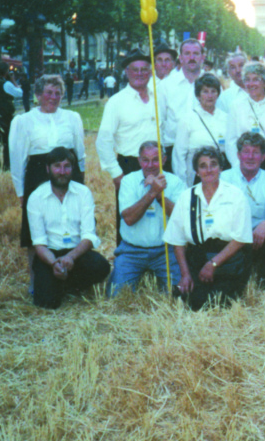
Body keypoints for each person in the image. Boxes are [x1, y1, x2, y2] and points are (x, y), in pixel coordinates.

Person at [10, 74, 87, 281]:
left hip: (68, 173)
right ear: (37, 95)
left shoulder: (72, 118)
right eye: (48, 93)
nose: (53, 97)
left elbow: (80, 155)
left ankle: (74, 273)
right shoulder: (24, 120)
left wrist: (81, 182)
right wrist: (21, 193)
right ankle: (37, 278)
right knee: (37, 227)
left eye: (58, 93)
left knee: (71, 221)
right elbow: (18, 160)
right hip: (38, 176)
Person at [164, 147, 253, 310]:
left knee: (220, 303)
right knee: (191, 301)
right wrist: (185, 275)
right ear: (197, 172)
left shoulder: (236, 196)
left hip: (228, 259)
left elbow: (241, 239)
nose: (209, 170)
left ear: (221, 168)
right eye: (203, 166)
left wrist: (212, 264)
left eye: (213, 164)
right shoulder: (186, 197)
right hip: (198, 257)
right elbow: (177, 240)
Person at [27, 147, 110, 309]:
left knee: (102, 267)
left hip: (76, 253)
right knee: (46, 303)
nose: (62, 171)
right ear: (48, 169)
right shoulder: (36, 197)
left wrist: (70, 258)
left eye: (67, 166)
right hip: (50, 255)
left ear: (73, 169)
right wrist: (54, 263)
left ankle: (70, 284)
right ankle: (58, 281)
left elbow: (89, 237)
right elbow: (39, 244)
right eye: (57, 166)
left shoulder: (83, 193)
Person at [96, 51, 166, 241]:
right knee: (129, 217)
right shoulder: (116, 102)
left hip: (157, 165)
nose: (140, 73)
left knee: (158, 216)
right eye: (135, 70)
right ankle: (127, 263)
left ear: (151, 72)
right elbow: (103, 140)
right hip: (129, 166)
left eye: (144, 69)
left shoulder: (159, 98)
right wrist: (116, 174)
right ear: (127, 72)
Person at [108, 141, 187, 297]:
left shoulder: (176, 182)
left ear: (164, 160)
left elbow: (181, 219)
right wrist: (152, 193)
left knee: (180, 296)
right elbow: (129, 219)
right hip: (132, 251)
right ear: (139, 161)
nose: (150, 165)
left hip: (165, 250)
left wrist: (160, 195)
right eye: (145, 160)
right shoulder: (128, 181)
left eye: (156, 159)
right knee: (115, 297)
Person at [221, 133, 265, 288]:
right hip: (231, 235)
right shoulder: (224, 178)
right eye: (246, 152)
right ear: (238, 155)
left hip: (258, 237)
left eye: (256, 152)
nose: (250, 157)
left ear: (263, 157)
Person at [173, 73, 228, 185]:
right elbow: (179, 154)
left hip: (221, 173)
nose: (210, 95)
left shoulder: (226, 118)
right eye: (205, 91)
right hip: (196, 175)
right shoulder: (187, 119)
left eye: (213, 91)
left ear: (218, 94)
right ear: (198, 96)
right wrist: (183, 182)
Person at [160, 38, 206, 162]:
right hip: (172, 149)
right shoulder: (166, 85)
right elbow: (159, 121)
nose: (192, 57)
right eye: (187, 53)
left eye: (196, 53)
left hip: (203, 151)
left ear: (203, 57)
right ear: (180, 58)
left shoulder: (212, 84)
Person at [216, 49, 248, 113]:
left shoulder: (262, 90)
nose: (238, 70)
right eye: (233, 67)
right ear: (228, 72)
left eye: (241, 65)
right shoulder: (224, 98)